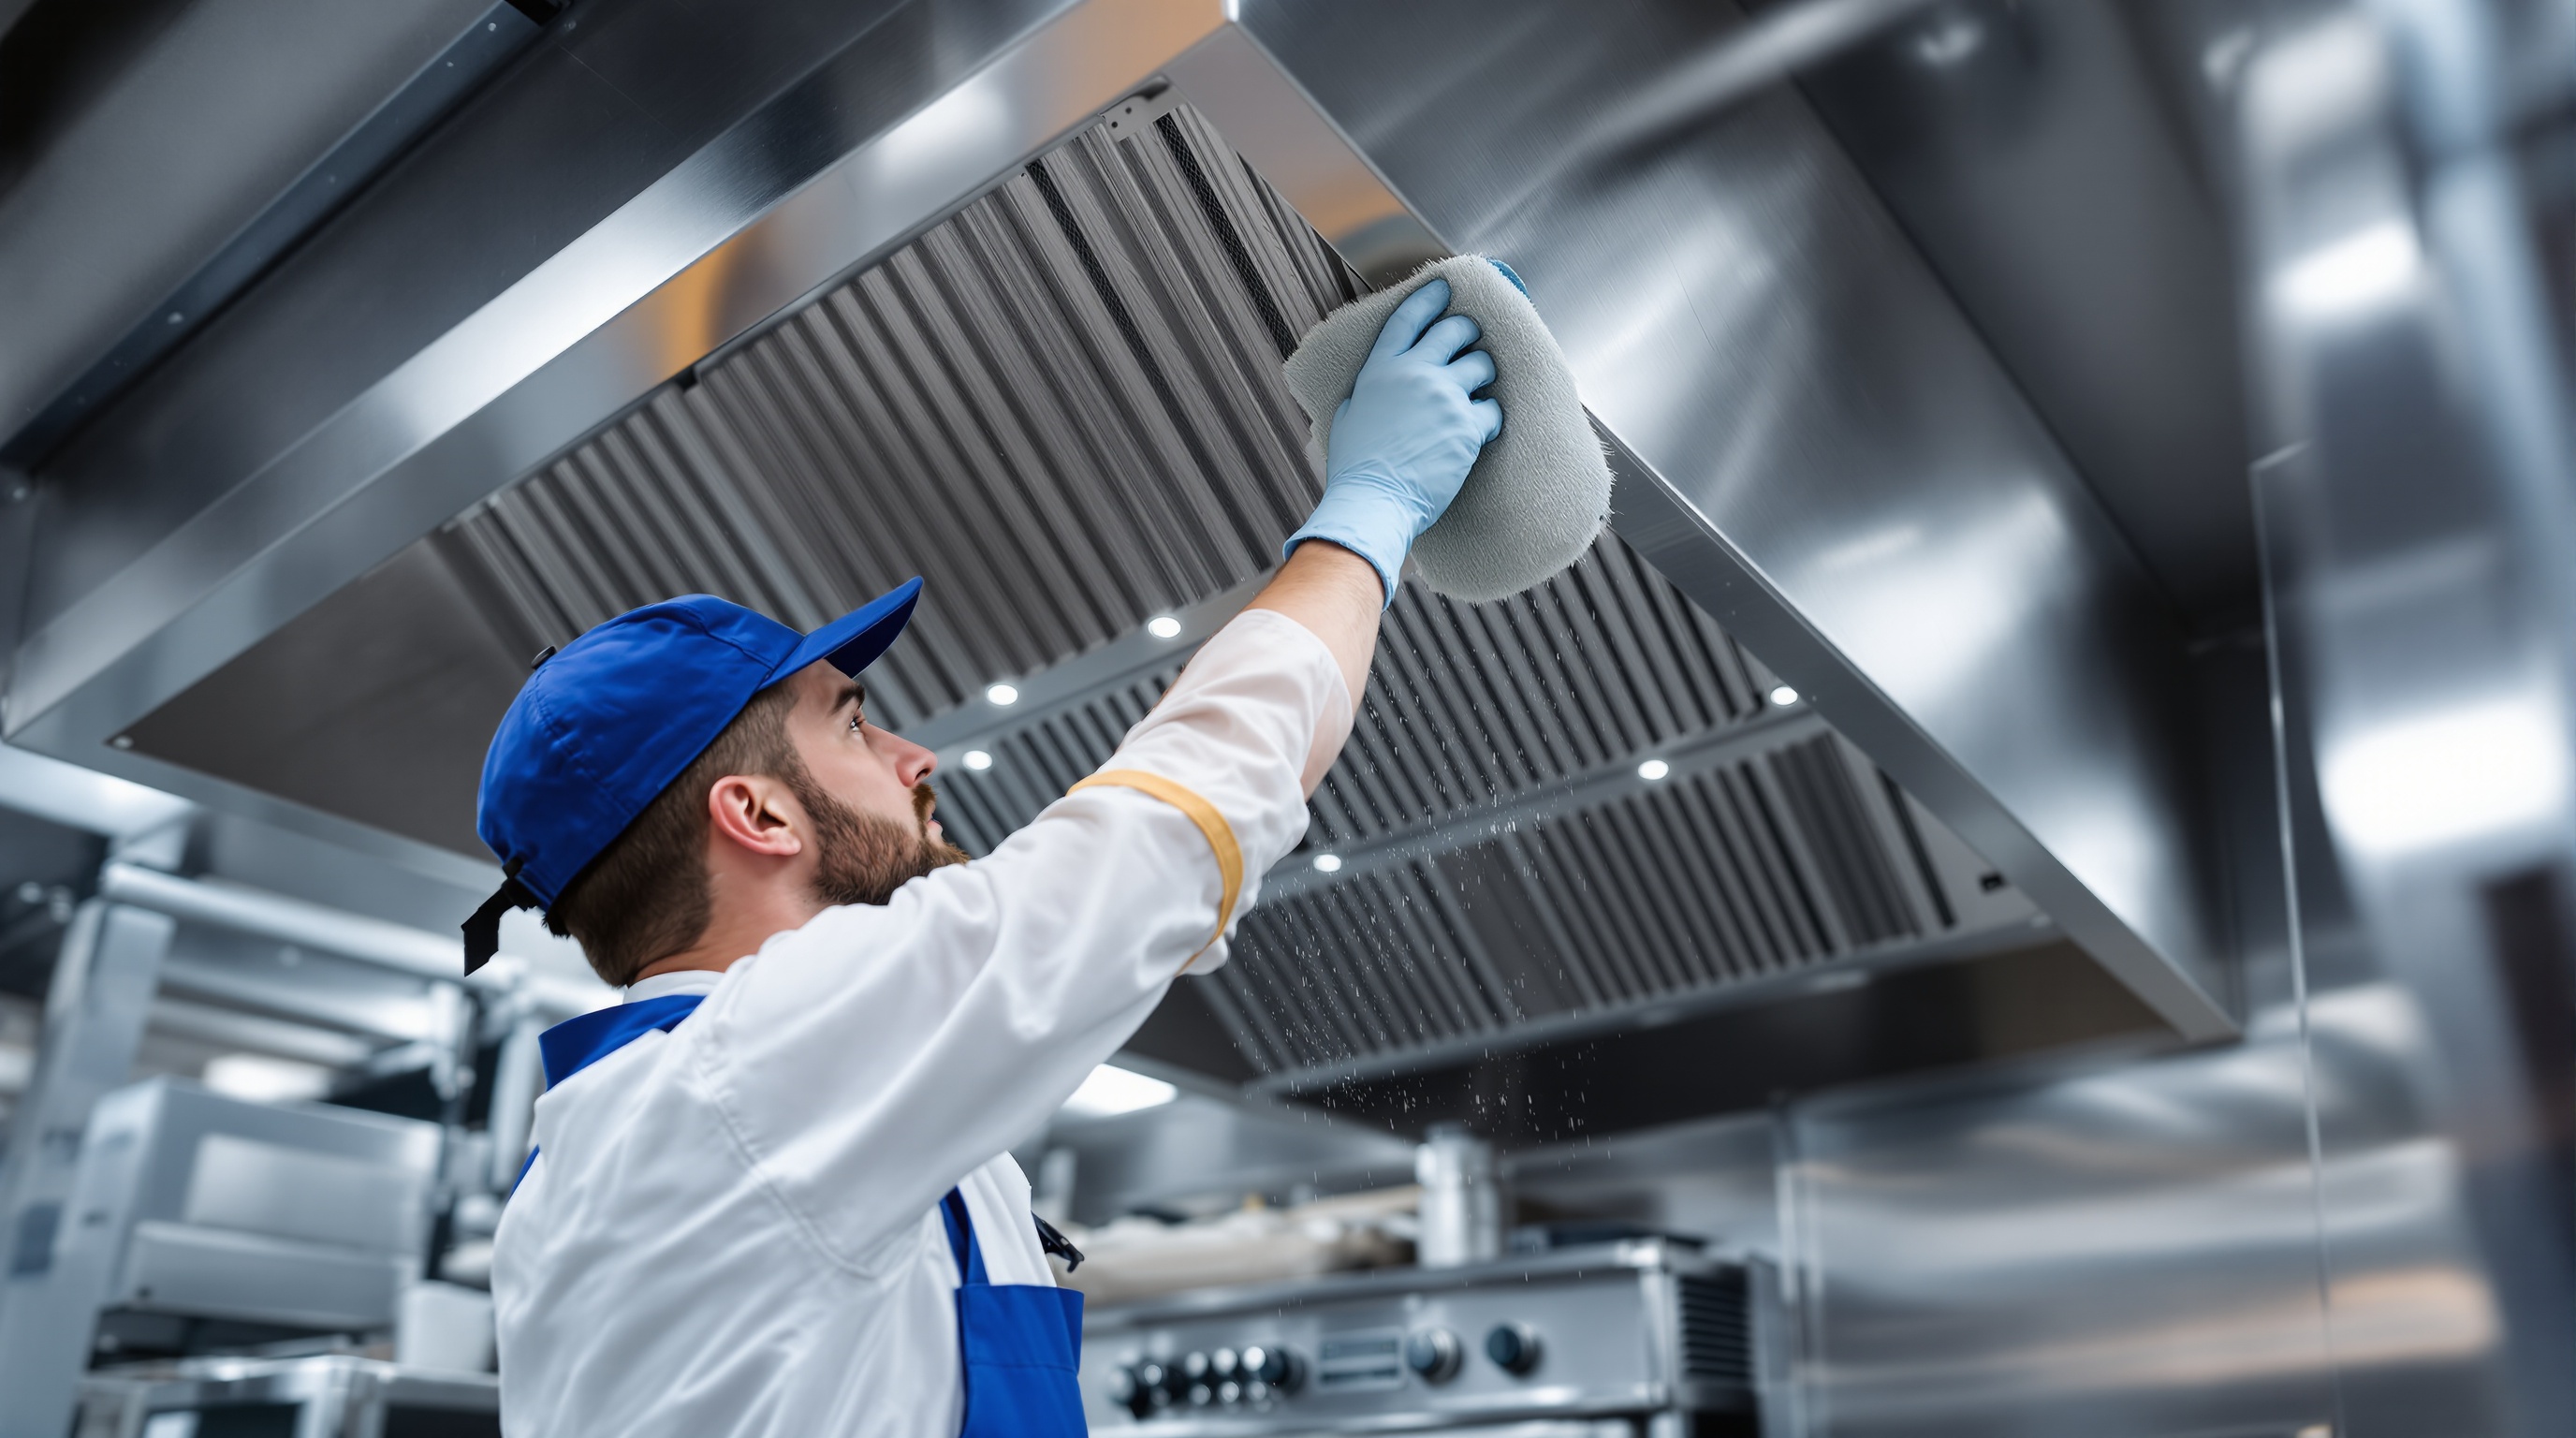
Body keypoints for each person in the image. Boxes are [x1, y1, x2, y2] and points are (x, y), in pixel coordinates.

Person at [470, 278, 1501, 1436]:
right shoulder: (741, 1077)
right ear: (757, 815)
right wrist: (1370, 507)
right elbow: (1162, 840)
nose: (918, 756)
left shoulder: (747, 1111)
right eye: (854, 723)